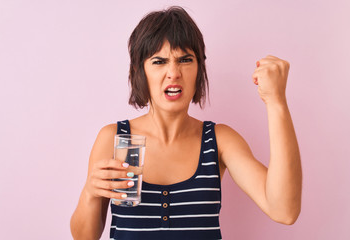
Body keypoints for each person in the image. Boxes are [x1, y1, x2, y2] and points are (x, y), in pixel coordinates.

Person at [70, 6, 302, 240]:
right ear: (140, 71)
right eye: (159, 61)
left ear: (199, 69)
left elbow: (284, 210)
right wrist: (90, 192)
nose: (173, 73)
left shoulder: (218, 141)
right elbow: (84, 238)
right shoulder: (115, 139)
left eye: (185, 60)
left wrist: (276, 102)